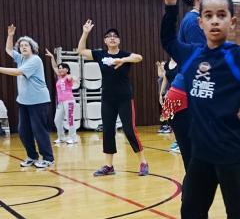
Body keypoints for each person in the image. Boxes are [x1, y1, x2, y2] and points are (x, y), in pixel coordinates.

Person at [160, 0, 240, 219]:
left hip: (230, 152)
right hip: (200, 153)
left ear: (232, 22)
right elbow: (168, 41)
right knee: (191, 209)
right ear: (200, 22)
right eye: (208, 16)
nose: (214, 20)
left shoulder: (239, 58)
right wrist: (170, 10)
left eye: (221, 15)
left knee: (237, 210)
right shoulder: (191, 55)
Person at [169, 0, 226, 169]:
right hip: (186, 99)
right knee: (197, 167)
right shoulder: (194, 22)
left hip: (187, 97)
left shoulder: (202, 21)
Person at [78, 20, 149, 176]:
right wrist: (85, 32)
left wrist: (123, 60)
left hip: (124, 99)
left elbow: (139, 57)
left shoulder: (125, 55)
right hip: (108, 100)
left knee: (129, 130)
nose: (112, 38)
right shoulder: (100, 54)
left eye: (115, 36)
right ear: (105, 41)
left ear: (119, 40)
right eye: (109, 36)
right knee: (108, 131)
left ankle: (143, 162)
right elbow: (81, 50)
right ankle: (109, 166)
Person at [0, 24, 54, 168]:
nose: (23, 47)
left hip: (39, 101)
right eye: (22, 45)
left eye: (26, 45)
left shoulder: (35, 60)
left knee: (39, 130)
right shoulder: (21, 59)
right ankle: (32, 156)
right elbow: (8, 50)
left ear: (32, 48)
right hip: (24, 102)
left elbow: (18, 72)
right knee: (23, 131)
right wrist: (10, 35)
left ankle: (48, 158)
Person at [45, 49, 78, 144]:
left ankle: (73, 138)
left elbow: (73, 78)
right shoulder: (59, 77)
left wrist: (72, 78)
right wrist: (52, 57)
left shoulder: (68, 77)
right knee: (57, 120)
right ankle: (62, 137)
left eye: (62, 68)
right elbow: (54, 66)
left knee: (70, 120)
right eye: (59, 68)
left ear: (67, 70)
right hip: (60, 102)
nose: (60, 69)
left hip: (69, 101)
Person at [156, 60, 172, 133]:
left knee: (167, 111)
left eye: (163, 65)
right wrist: (159, 66)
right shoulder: (162, 74)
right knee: (162, 111)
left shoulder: (168, 74)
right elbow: (160, 74)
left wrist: (160, 66)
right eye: (162, 65)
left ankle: (169, 126)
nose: (162, 66)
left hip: (168, 94)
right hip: (162, 95)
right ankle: (163, 126)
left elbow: (162, 74)